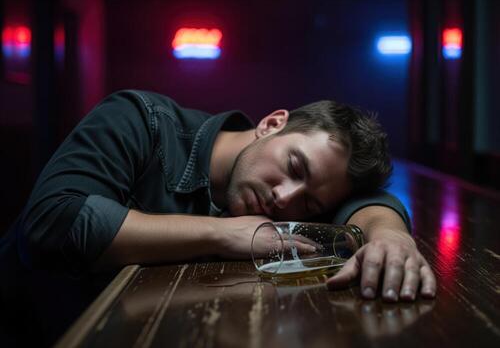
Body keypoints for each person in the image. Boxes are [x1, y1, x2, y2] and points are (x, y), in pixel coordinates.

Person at [0, 90, 435, 344]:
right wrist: (224, 234)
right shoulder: (140, 119)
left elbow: (373, 205)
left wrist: (393, 238)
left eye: (310, 205)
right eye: (295, 167)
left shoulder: (301, 193)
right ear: (271, 124)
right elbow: (51, 223)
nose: (286, 199)